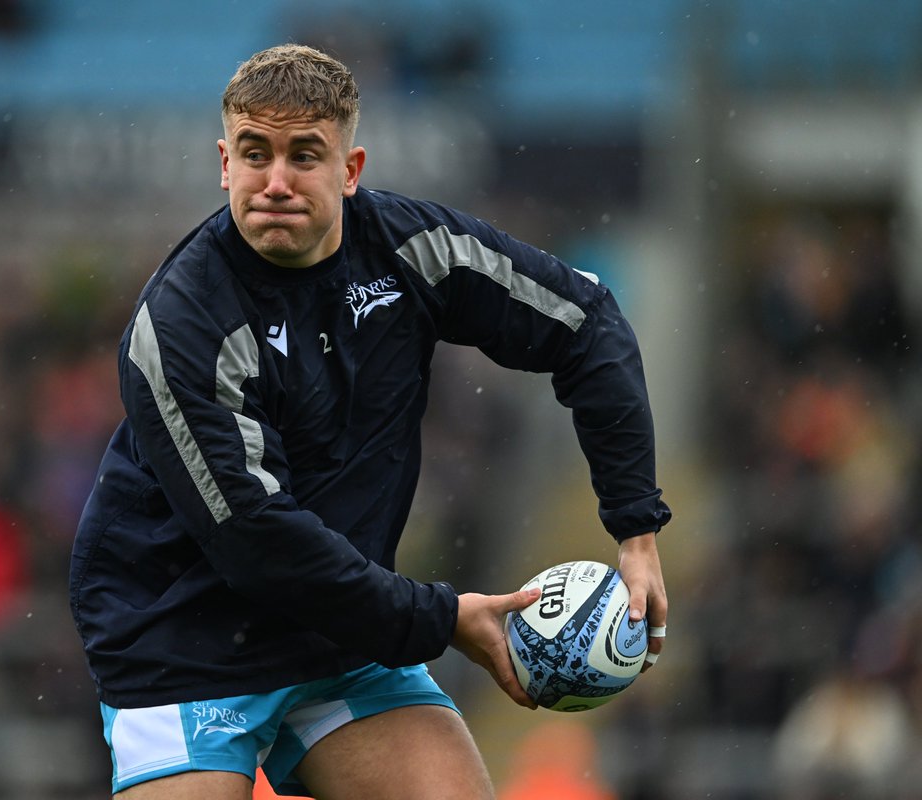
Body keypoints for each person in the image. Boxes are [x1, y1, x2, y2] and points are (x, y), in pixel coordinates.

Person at [69, 43, 672, 800]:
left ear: (350, 172)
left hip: (340, 637)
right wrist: (442, 618)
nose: (276, 181)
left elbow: (586, 323)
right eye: (255, 154)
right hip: (181, 644)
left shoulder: (410, 250)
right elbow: (260, 544)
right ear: (225, 163)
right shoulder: (183, 324)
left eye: (305, 156)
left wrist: (635, 530)